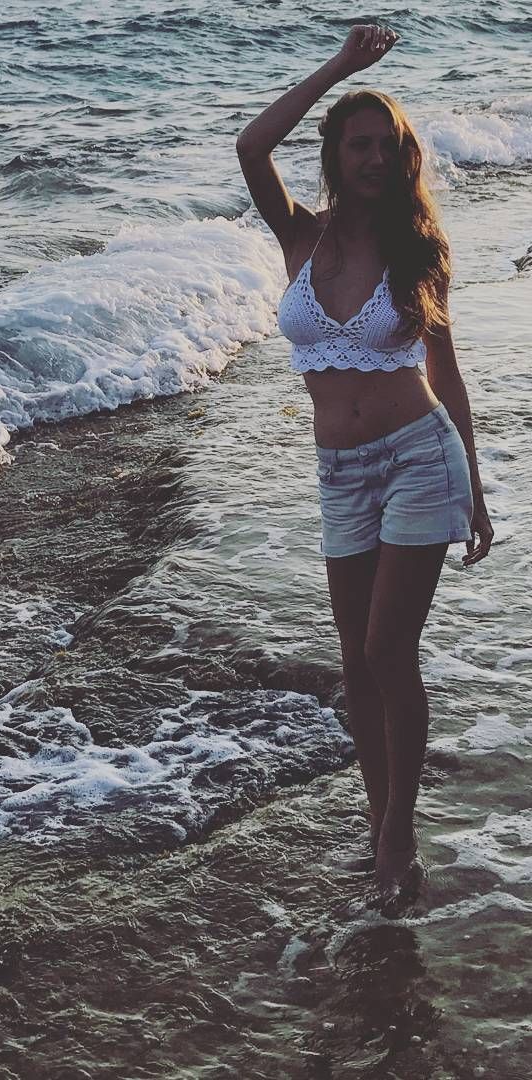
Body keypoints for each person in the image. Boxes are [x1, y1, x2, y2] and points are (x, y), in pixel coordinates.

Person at [235, 24, 494, 896]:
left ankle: (399, 837)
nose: (377, 158)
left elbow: (445, 373)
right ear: (336, 156)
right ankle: (379, 821)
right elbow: (251, 146)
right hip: (339, 474)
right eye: (360, 145)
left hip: (420, 457)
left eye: (389, 145)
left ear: (404, 156)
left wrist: (476, 490)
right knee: (355, 663)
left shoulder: (417, 249)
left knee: (388, 648)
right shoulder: (301, 238)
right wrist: (342, 67)